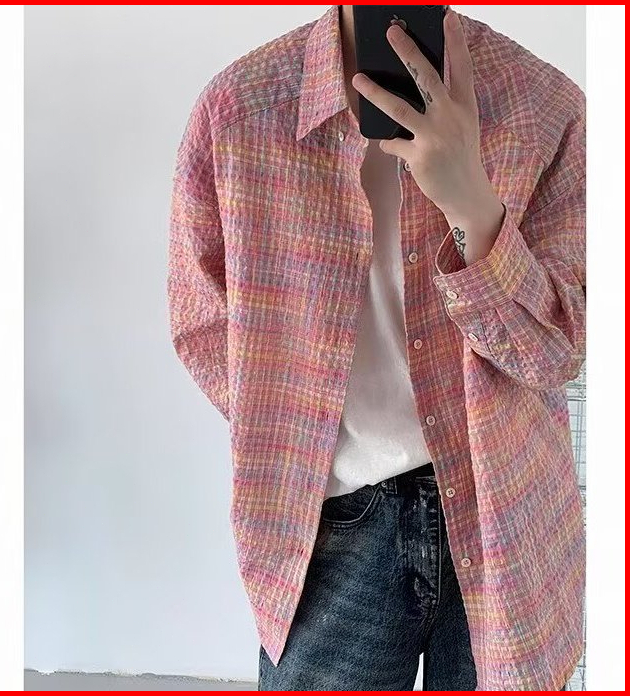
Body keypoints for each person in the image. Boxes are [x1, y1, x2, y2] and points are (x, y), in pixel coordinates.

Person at [166, 5, 585, 691]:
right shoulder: (239, 113)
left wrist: (473, 208)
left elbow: (557, 351)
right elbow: (201, 321)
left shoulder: (545, 109)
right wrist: (293, 431)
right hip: (328, 525)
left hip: (507, 516)